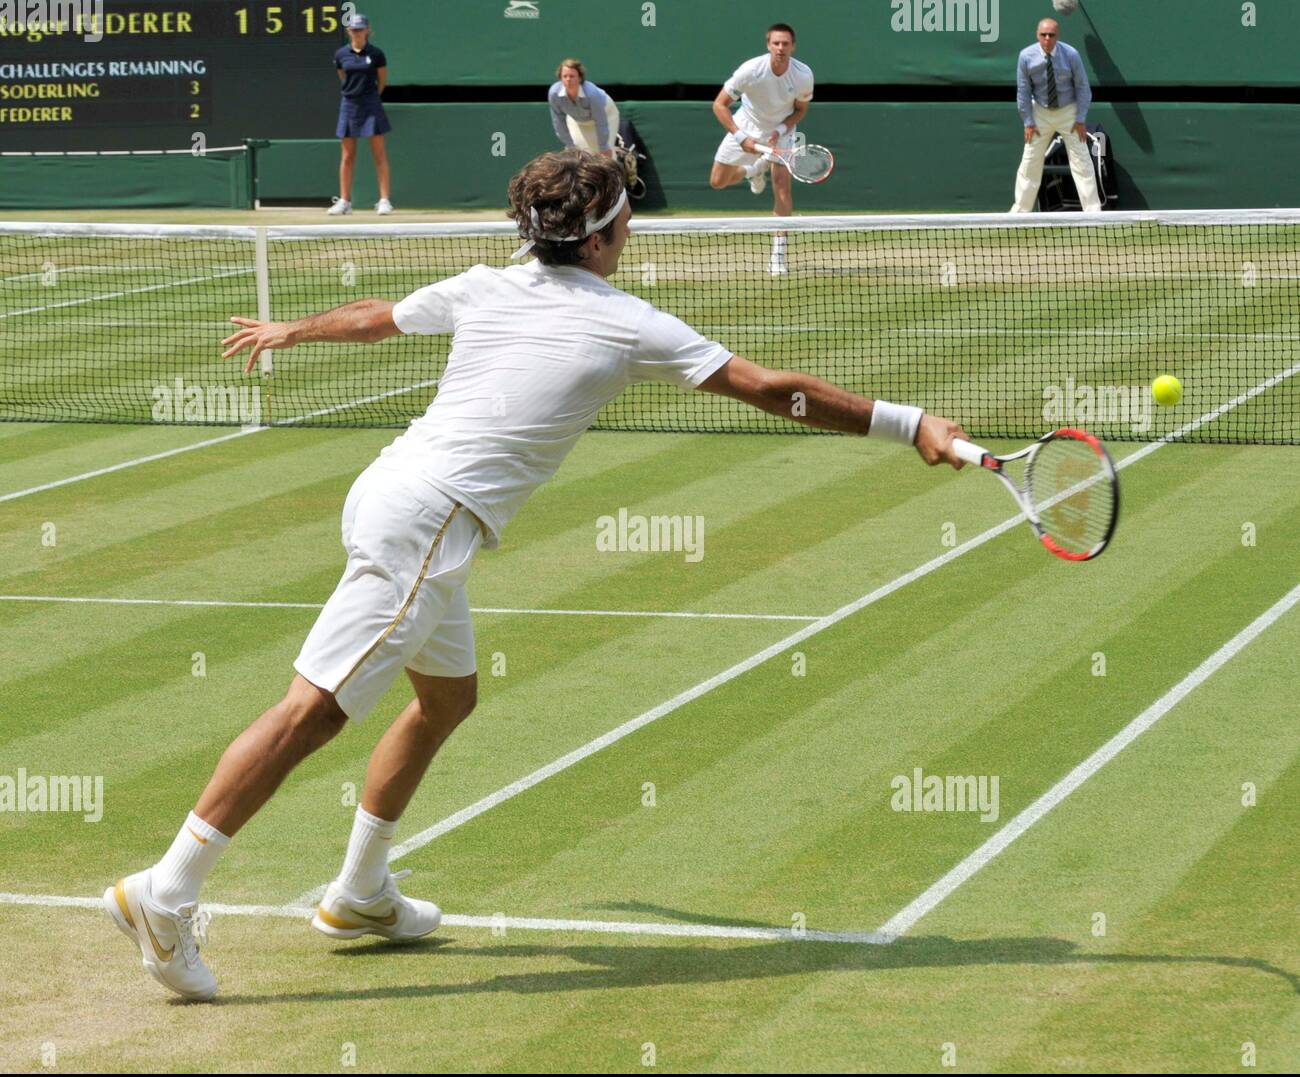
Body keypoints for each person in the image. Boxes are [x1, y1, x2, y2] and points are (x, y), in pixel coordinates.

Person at [101, 150, 968, 1001]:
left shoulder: (487, 284)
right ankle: (168, 891)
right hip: (429, 521)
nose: (631, 223)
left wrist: (296, 327)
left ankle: (361, 893)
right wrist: (908, 423)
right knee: (313, 710)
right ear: (598, 237)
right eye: (625, 213)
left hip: (396, 496)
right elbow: (773, 389)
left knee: (447, 699)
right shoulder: (630, 322)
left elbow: (378, 315)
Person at [709, 23, 814, 276]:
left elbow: (800, 109)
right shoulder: (750, 70)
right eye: (776, 43)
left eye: (785, 44)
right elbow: (719, 105)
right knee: (717, 181)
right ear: (768, 45)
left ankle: (777, 255)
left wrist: (780, 130)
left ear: (793, 46)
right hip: (746, 124)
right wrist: (740, 135)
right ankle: (752, 170)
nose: (781, 48)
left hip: (781, 130)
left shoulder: (802, 75)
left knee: (781, 186)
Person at [1010, 17, 1101, 213]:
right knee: (1030, 160)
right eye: (1043, 35)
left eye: (1051, 35)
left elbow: (1083, 87)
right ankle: (1020, 212)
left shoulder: (1071, 54)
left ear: (1057, 36)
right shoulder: (1026, 56)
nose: (1047, 39)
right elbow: (1023, 91)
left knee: (1082, 160)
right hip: (1040, 112)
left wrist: (1080, 119)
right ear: (1037, 35)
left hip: (1069, 111)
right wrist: (1028, 121)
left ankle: (1093, 212)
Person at [329, 13, 393, 216]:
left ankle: (384, 200)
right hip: (349, 104)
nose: (357, 32)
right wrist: (354, 94)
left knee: (379, 154)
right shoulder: (341, 55)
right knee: (347, 156)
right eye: (353, 29)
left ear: (367, 30)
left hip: (371, 104)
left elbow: (381, 82)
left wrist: (371, 96)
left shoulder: (377, 54)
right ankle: (345, 202)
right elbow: (343, 77)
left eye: (360, 29)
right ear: (349, 31)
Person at [548, 59, 619, 158]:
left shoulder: (592, 94)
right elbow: (558, 122)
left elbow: (600, 121)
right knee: (579, 155)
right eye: (565, 76)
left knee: (605, 155)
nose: (568, 79)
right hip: (577, 121)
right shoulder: (554, 94)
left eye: (572, 76)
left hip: (606, 117)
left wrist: (604, 147)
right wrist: (570, 146)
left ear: (580, 78)